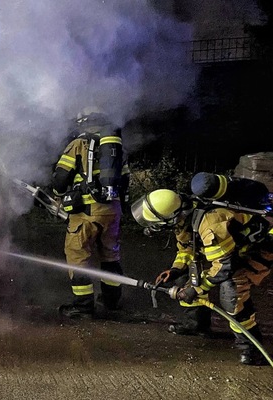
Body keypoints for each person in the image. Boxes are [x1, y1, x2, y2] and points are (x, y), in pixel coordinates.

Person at [132, 184, 273, 365]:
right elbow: (187, 250)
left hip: (257, 250)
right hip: (229, 252)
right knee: (186, 277)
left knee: (232, 293)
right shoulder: (183, 217)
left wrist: (196, 289)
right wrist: (176, 269)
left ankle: (252, 350)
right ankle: (196, 324)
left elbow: (224, 267)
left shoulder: (210, 224)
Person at [51, 107, 129, 318]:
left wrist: (59, 194)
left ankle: (84, 305)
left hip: (86, 213)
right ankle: (112, 301)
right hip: (113, 211)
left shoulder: (79, 144)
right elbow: (125, 181)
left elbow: (61, 179)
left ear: (83, 123)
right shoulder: (117, 149)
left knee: (78, 256)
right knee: (110, 256)